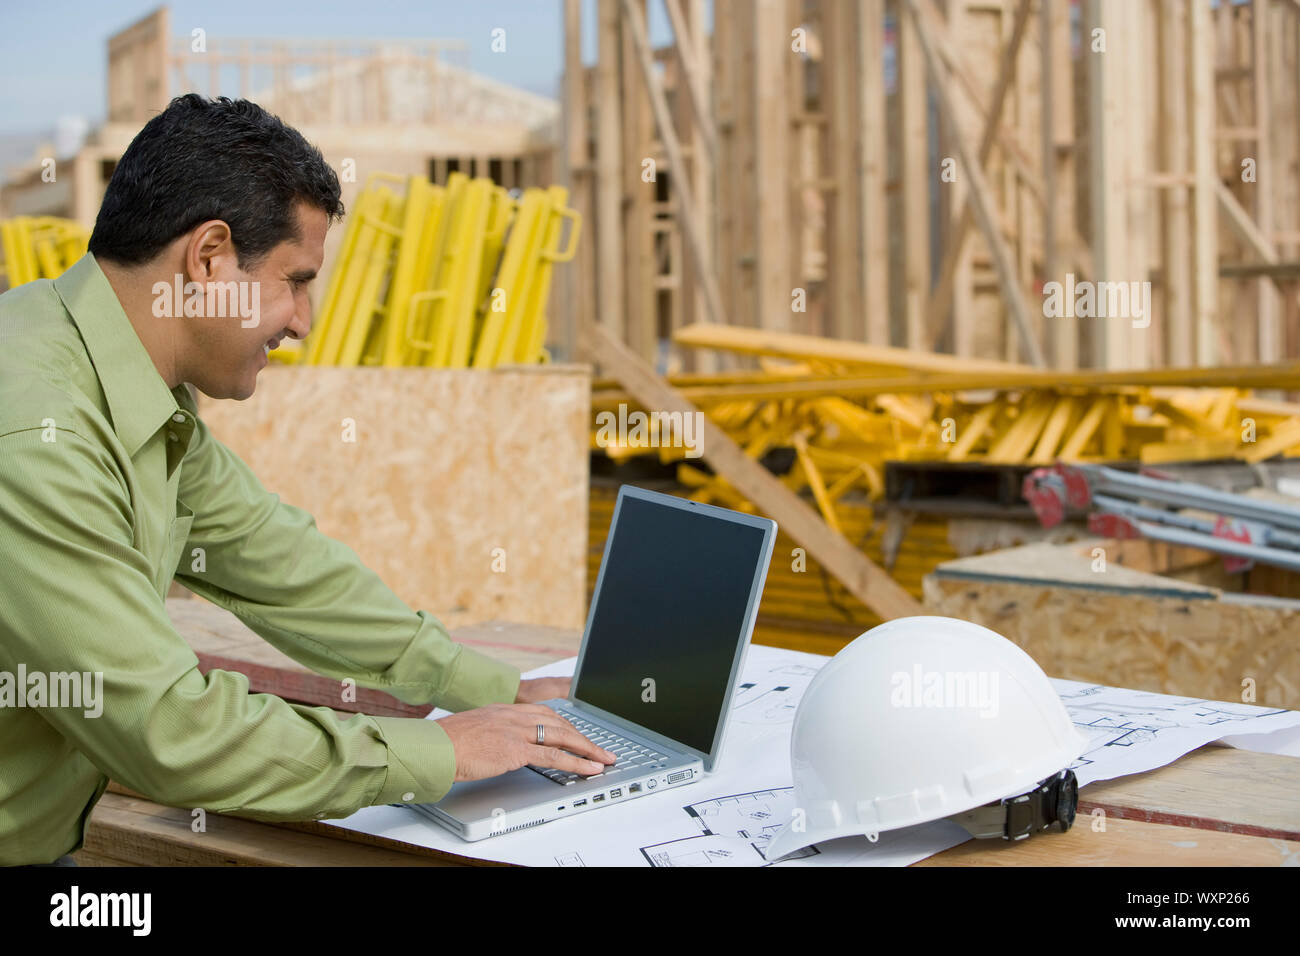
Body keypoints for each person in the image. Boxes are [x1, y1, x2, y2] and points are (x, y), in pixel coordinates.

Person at [0, 94, 613, 867]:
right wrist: (441, 753)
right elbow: (167, 731)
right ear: (210, 257)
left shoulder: (122, 383)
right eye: (295, 280)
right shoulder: (32, 433)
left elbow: (275, 559)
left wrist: (486, 689)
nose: (303, 320)